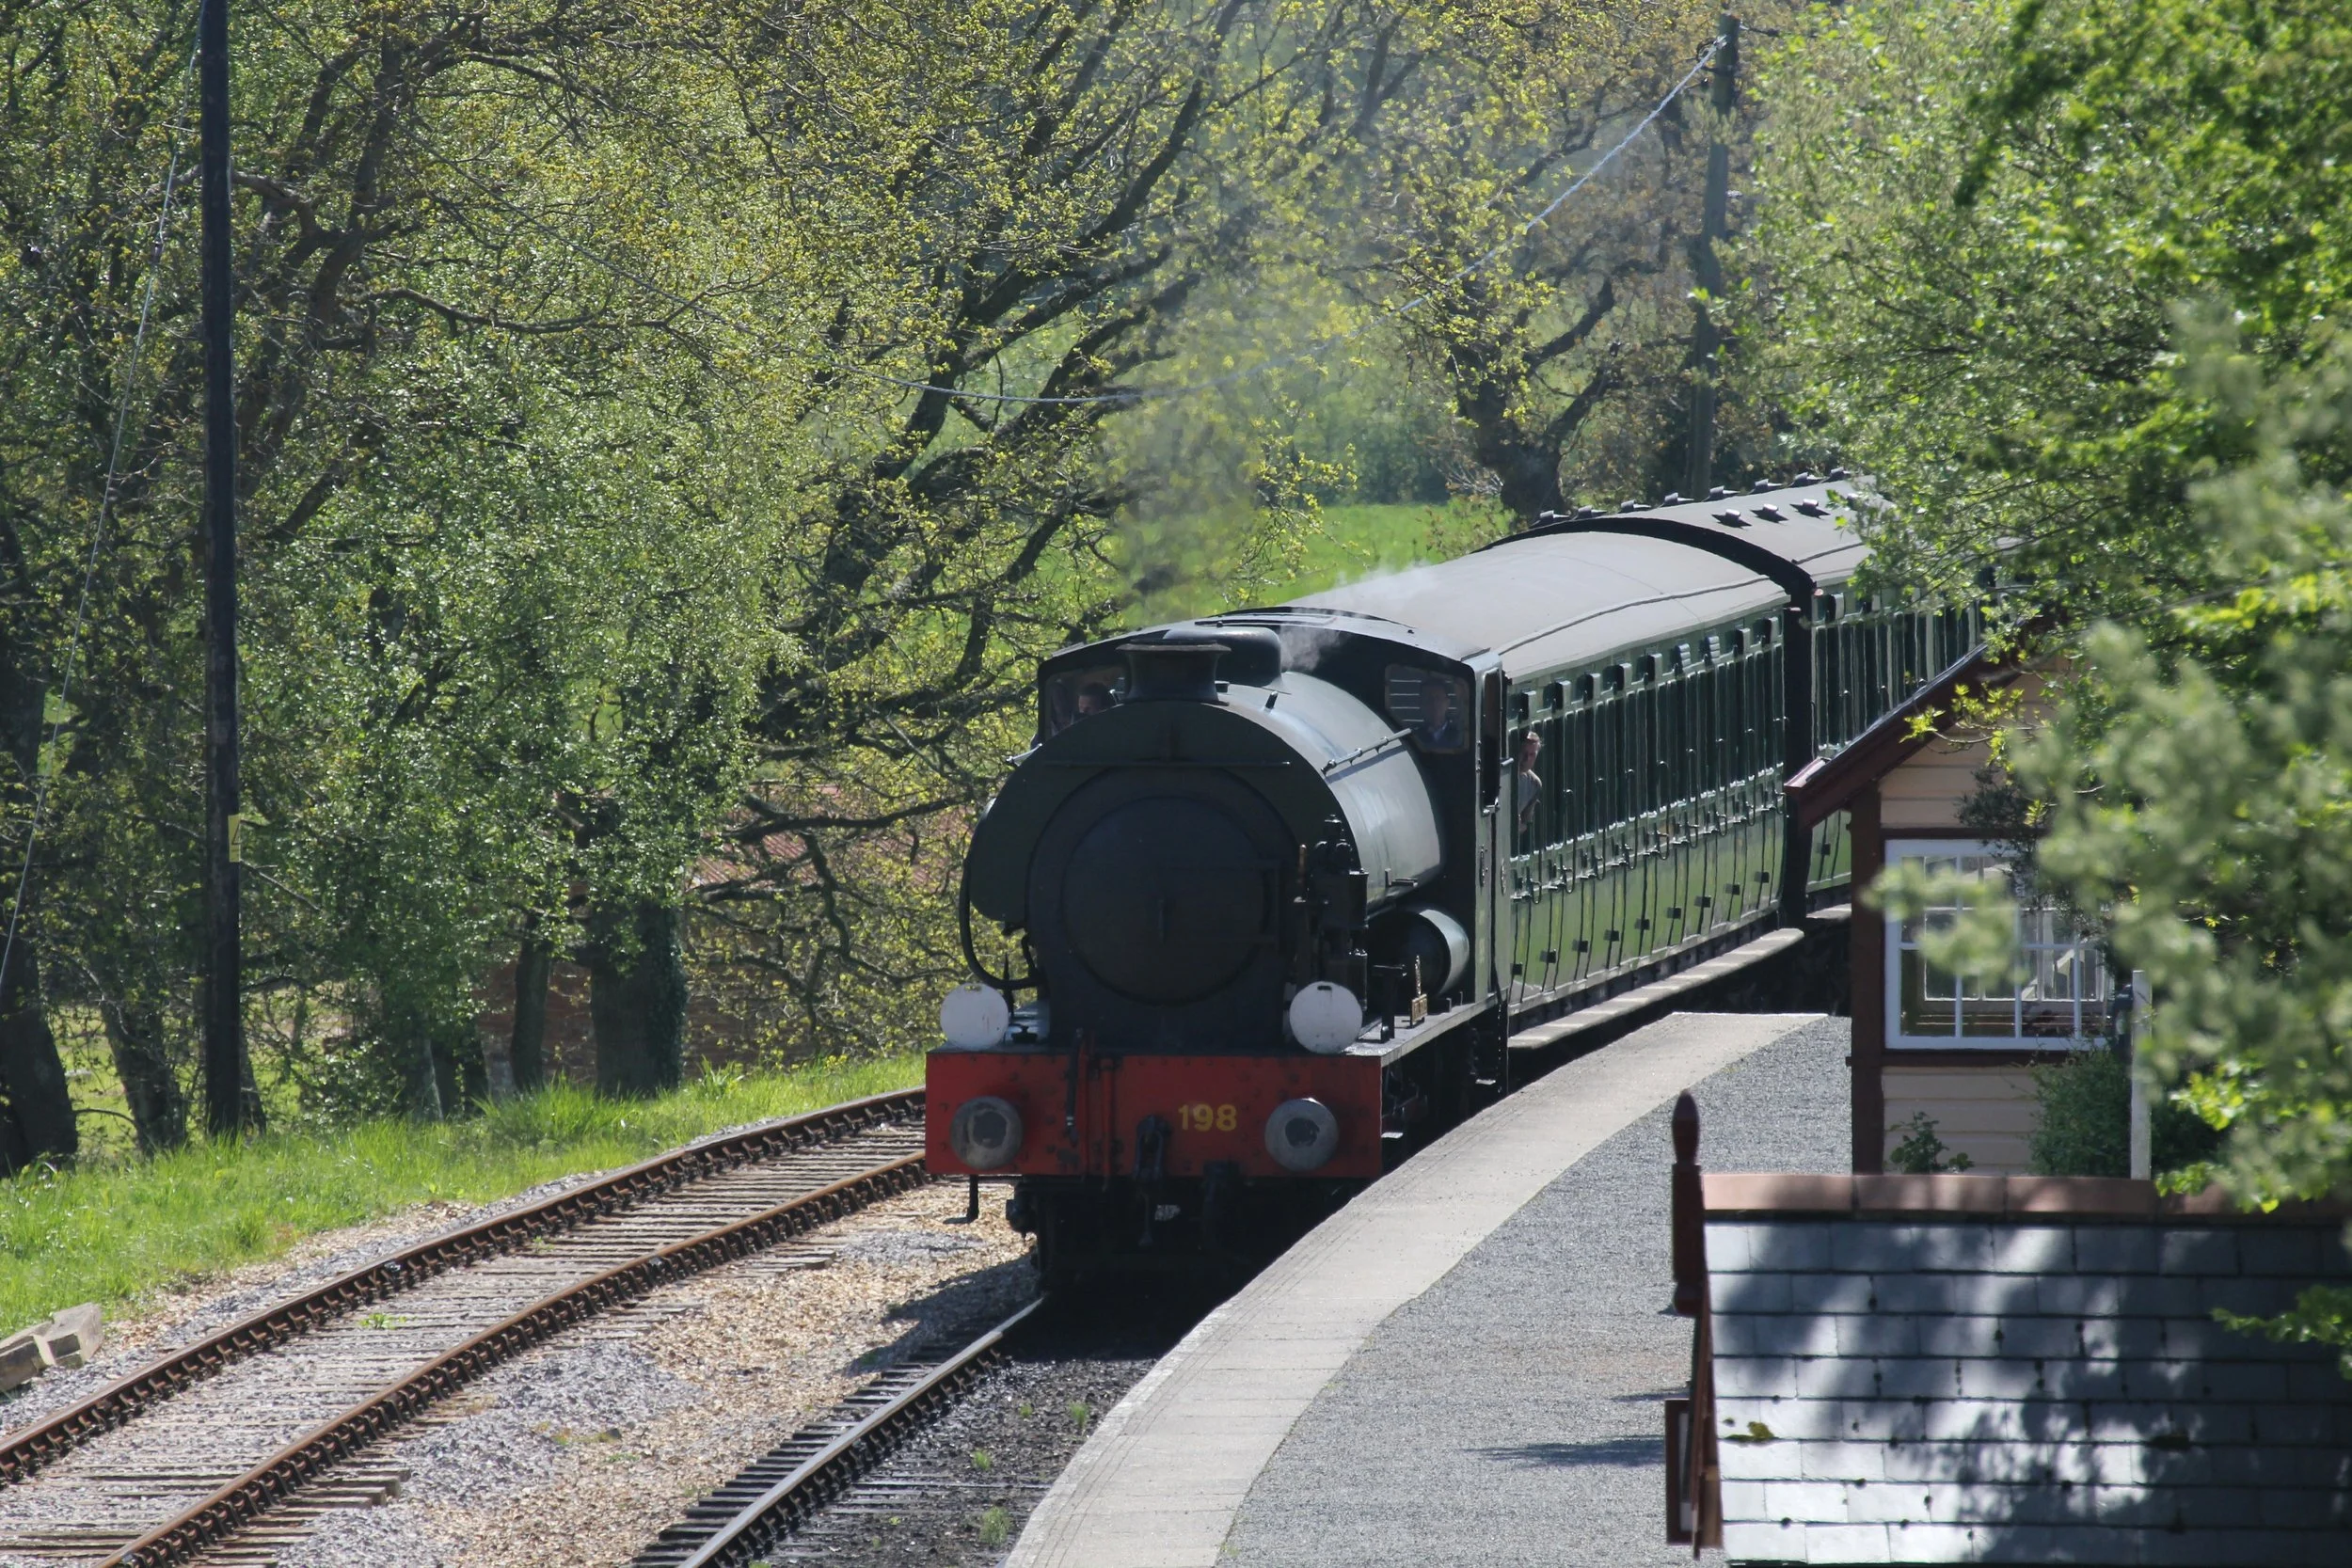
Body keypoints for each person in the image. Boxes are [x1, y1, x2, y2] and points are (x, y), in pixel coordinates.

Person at [1416, 676, 1464, 750]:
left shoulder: (1460, 736)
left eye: (1438, 698)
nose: (1434, 703)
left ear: (1447, 703)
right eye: (1428, 699)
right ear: (1421, 704)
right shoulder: (1414, 737)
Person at [1515, 729, 1543, 845]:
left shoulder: (1534, 784)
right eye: (1523, 753)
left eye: (1532, 755)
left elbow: (1525, 824)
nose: (1526, 759)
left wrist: (1518, 826)